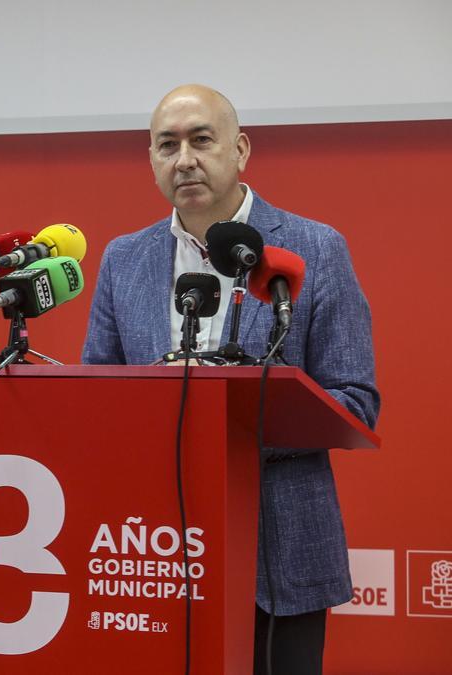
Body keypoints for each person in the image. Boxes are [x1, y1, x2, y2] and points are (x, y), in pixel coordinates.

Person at [82, 84, 380, 674]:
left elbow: (356, 399)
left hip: (281, 552)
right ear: (151, 161)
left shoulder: (315, 250)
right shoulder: (124, 258)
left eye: (201, 140)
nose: (183, 159)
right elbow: (97, 394)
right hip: (155, 553)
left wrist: (234, 412)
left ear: (240, 149)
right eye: (166, 145)